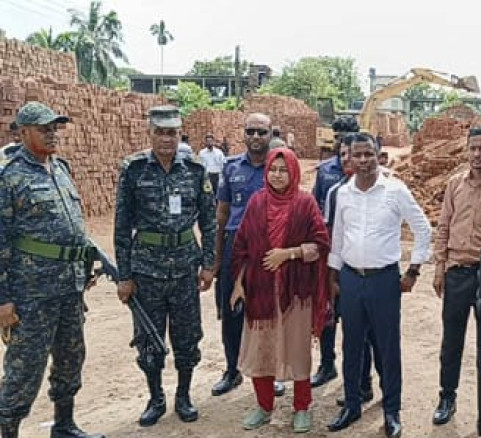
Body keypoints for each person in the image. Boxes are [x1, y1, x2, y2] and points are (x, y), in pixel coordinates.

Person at [0, 102, 105, 438]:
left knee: (71, 357)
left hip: (69, 286)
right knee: (24, 368)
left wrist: (84, 263)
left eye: (55, 126)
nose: (52, 132)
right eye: (44, 127)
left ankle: (64, 424)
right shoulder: (9, 175)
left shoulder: (60, 168)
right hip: (31, 291)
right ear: (23, 131)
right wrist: (3, 299)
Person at [114, 105, 217, 427]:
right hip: (146, 270)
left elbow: (209, 222)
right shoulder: (133, 170)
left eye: (171, 132)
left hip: (186, 268)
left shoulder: (195, 170)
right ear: (150, 133)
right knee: (149, 340)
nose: (165, 139)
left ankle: (183, 396)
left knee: (187, 338)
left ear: (179, 134)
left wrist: (209, 265)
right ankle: (156, 397)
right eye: (160, 132)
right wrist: (125, 276)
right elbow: (121, 226)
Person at [327, 133, 432, 438]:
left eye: (368, 155)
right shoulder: (343, 193)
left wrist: (413, 271)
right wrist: (333, 277)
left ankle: (392, 410)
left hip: (384, 280)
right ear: (349, 158)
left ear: (378, 155)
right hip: (350, 279)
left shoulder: (395, 191)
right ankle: (352, 404)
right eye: (356, 155)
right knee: (351, 344)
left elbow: (423, 230)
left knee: (387, 347)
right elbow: (337, 238)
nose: (362, 160)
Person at [229, 147, 330, 433]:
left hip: (296, 293)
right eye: (273, 169)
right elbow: (242, 247)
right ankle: (263, 406)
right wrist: (238, 283)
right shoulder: (257, 202)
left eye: (283, 170)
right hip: (260, 292)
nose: (276, 175)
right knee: (261, 351)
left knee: (297, 352)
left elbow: (321, 245)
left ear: (294, 172)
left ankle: (301, 408)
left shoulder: (305, 202)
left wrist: (289, 253)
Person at [431, 127, 481, 425]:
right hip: (457, 273)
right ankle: (447, 396)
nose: (476, 155)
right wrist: (439, 267)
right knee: (452, 340)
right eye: (472, 149)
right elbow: (443, 226)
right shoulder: (454, 185)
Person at [213, 114, 285, 398]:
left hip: (270, 247)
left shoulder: (279, 166)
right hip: (236, 246)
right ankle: (232, 370)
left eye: (262, 132)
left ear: (270, 134)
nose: (256, 137)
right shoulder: (231, 168)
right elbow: (222, 213)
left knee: (272, 311)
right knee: (232, 310)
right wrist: (218, 256)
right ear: (244, 134)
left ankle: (274, 371)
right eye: (251, 131)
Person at [322, 134, 383, 409]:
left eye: (354, 153)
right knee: (351, 334)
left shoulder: (380, 188)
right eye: (344, 154)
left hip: (368, 274)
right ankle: (357, 388)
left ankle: (378, 385)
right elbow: (328, 233)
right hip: (342, 271)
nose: (349, 159)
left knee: (374, 335)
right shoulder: (335, 191)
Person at [310, 115, 360, 388]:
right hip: (329, 253)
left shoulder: (365, 167)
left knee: (355, 318)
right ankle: (327, 364)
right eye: (338, 135)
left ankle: (357, 376)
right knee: (327, 312)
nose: (340, 140)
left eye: (346, 135)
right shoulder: (326, 170)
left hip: (355, 255)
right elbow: (316, 207)